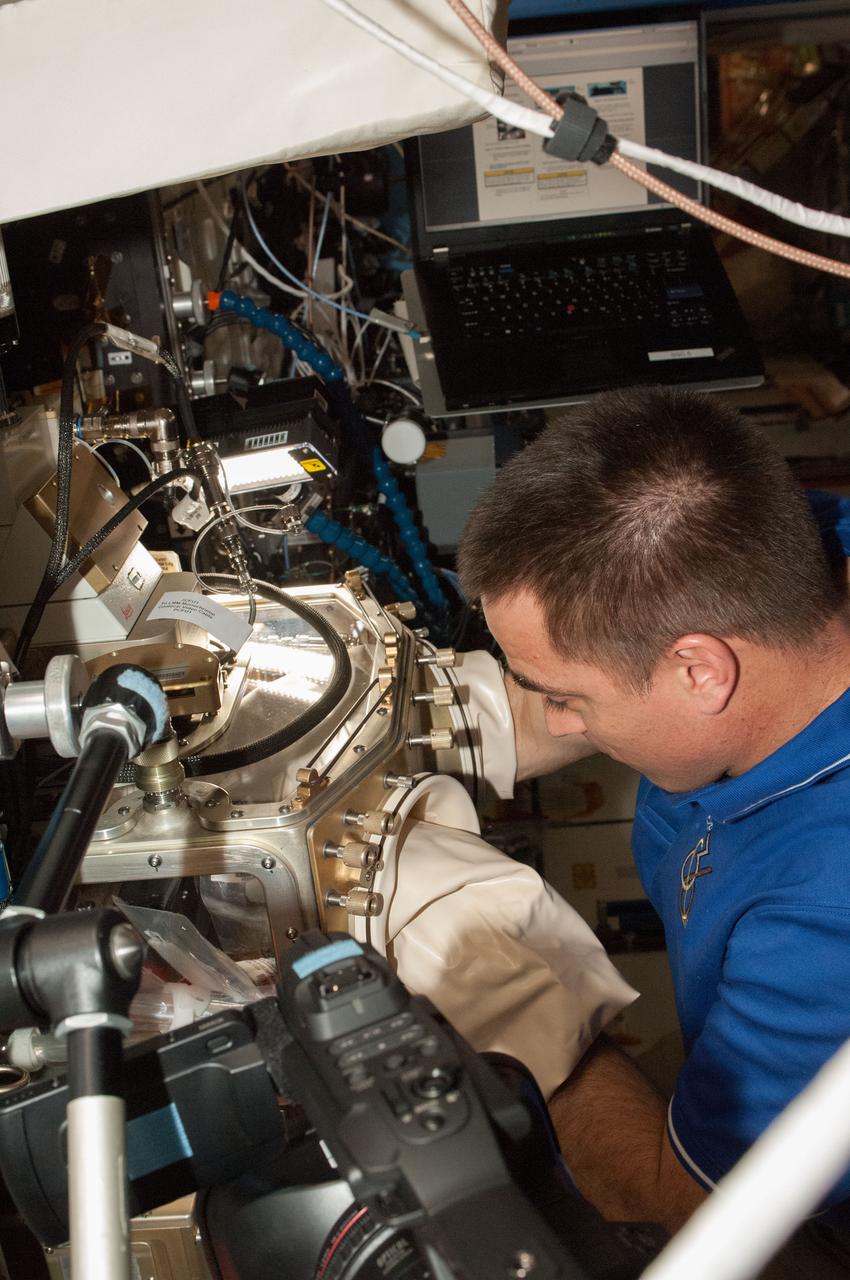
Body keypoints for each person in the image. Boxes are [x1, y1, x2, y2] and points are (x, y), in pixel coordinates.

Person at [456, 384, 850, 1266]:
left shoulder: (828, 922)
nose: (554, 722)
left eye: (564, 698)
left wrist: (517, 1011)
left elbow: (691, 1205)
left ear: (700, 673)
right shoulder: (793, 553)